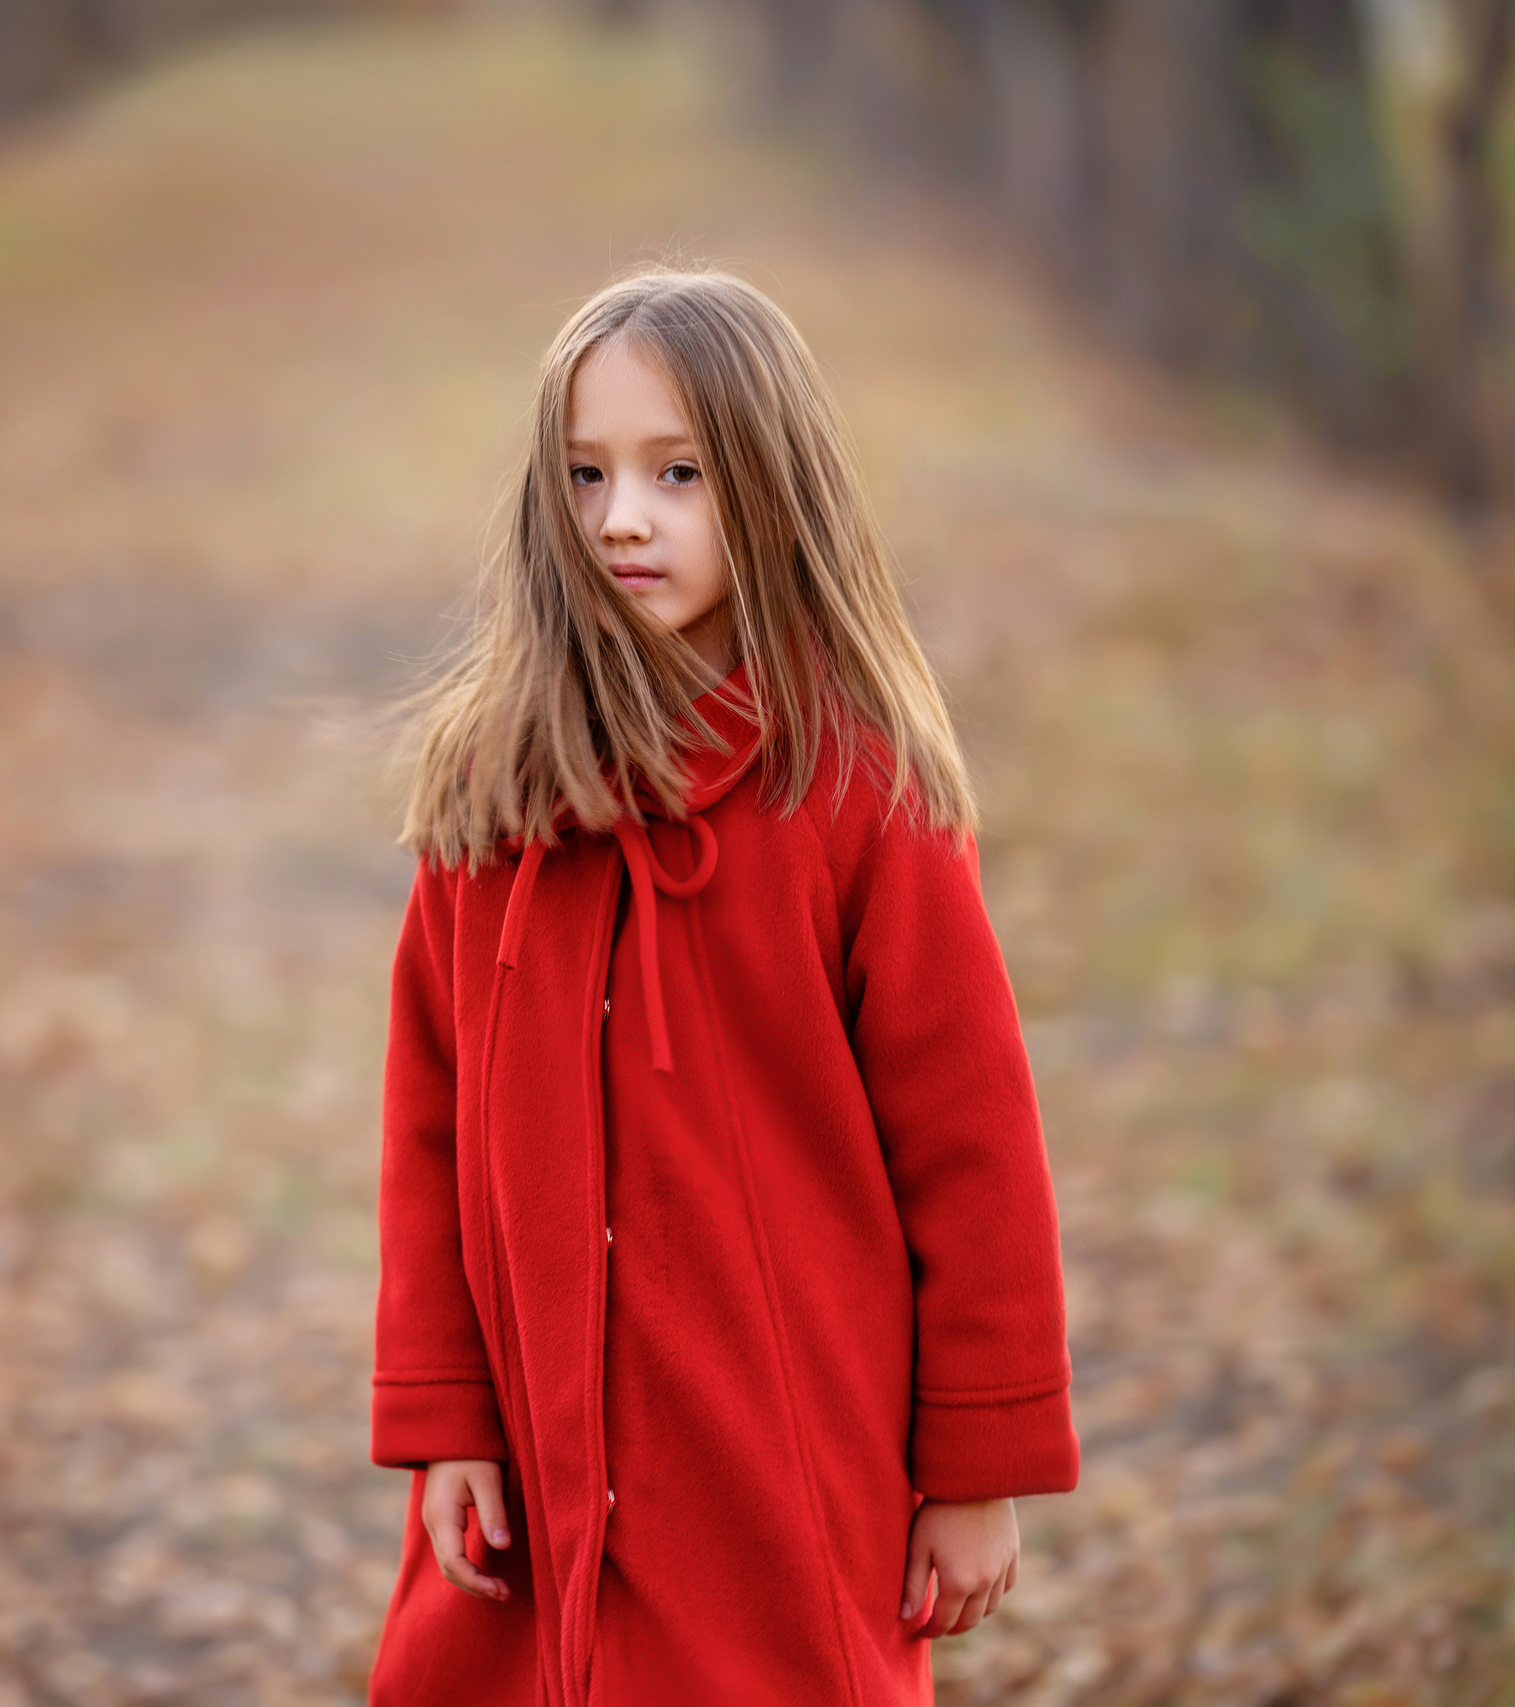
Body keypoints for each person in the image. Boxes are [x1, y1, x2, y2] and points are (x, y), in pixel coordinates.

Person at [367, 265, 1079, 1705]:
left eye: (676, 473)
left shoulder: (855, 793)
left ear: (770, 490)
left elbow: (974, 1147)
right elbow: (429, 1127)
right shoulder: (500, 793)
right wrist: (448, 1419)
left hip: (777, 1456)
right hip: (538, 1461)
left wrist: (976, 1466)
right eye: (587, 475)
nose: (622, 518)